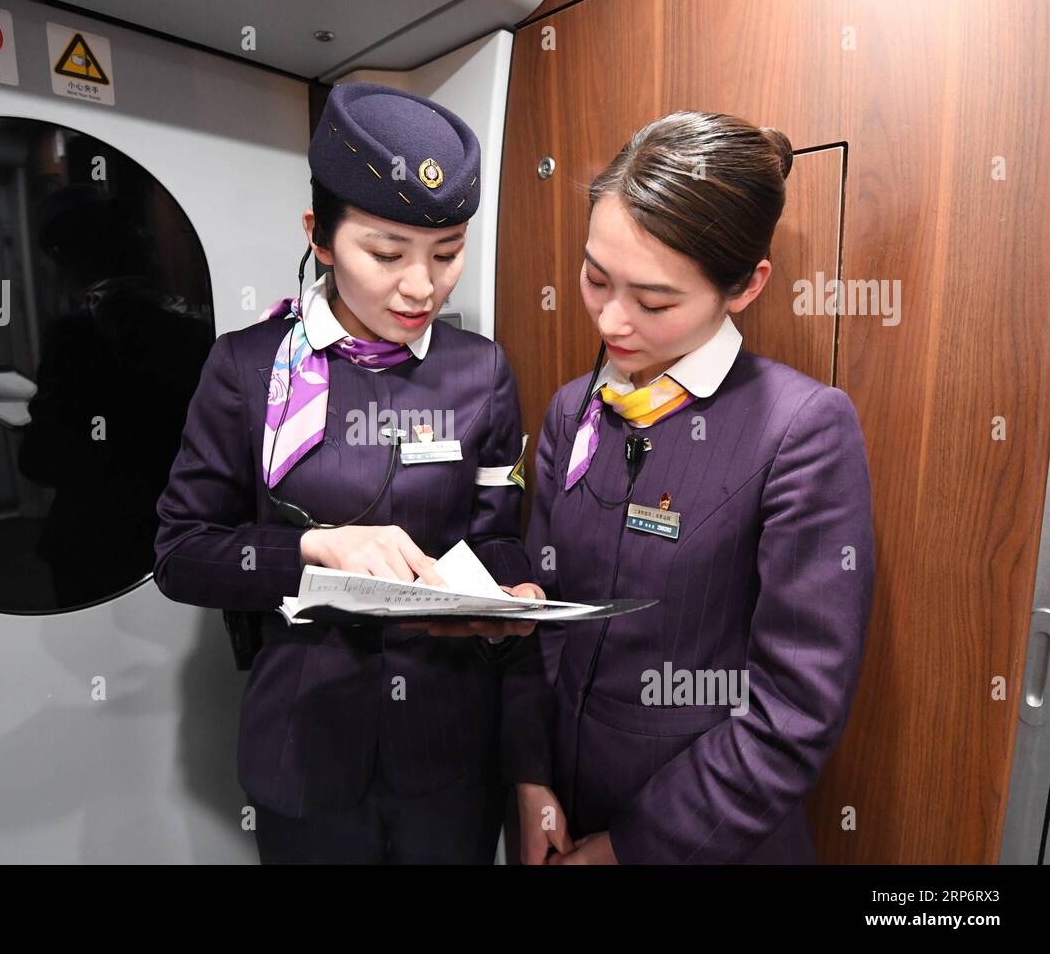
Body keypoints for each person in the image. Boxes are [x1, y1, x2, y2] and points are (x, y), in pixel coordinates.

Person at [154, 82, 544, 864]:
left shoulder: (481, 372)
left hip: (448, 743)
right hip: (307, 737)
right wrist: (309, 551)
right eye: (387, 253)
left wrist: (510, 593)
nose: (422, 287)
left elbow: (497, 536)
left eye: (448, 252)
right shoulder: (249, 368)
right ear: (320, 238)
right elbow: (180, 552)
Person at [516, 111, 875, 864]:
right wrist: (532, 777)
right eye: (594, 278)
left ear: (744, 287)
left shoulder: (801, 430)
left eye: (653, 302)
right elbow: (540, 620)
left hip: (705, 840)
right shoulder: (571, 408)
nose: (611, 319)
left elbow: (794, 709)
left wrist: (630, 849)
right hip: (561, 821)